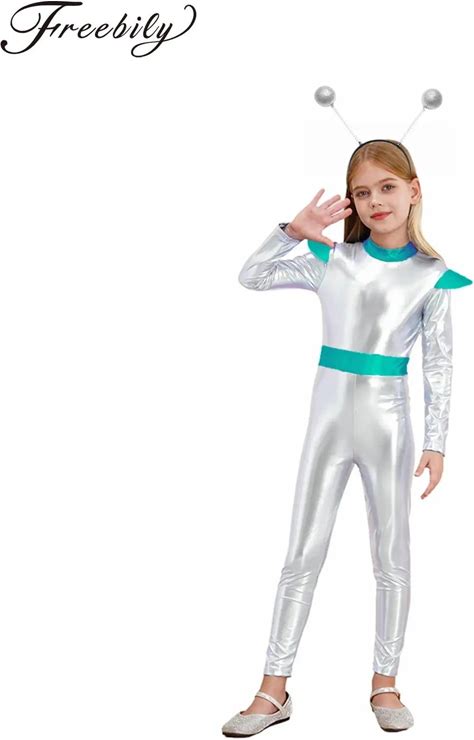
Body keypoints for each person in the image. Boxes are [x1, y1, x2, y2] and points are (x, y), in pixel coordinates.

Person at [221, 140, 472, 735]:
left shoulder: (432, 277)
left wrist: (436, 441)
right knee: (302, 552)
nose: (375, 200)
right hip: (328, 424)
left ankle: (385, 683)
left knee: (392, 555)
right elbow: (252, 276)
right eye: (362, 191)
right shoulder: (332, 260)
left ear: (414, 190)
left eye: (388, 186)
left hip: (389, 425)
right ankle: (272, 689)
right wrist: (291, 231)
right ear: (352, 203)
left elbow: (439, 365)